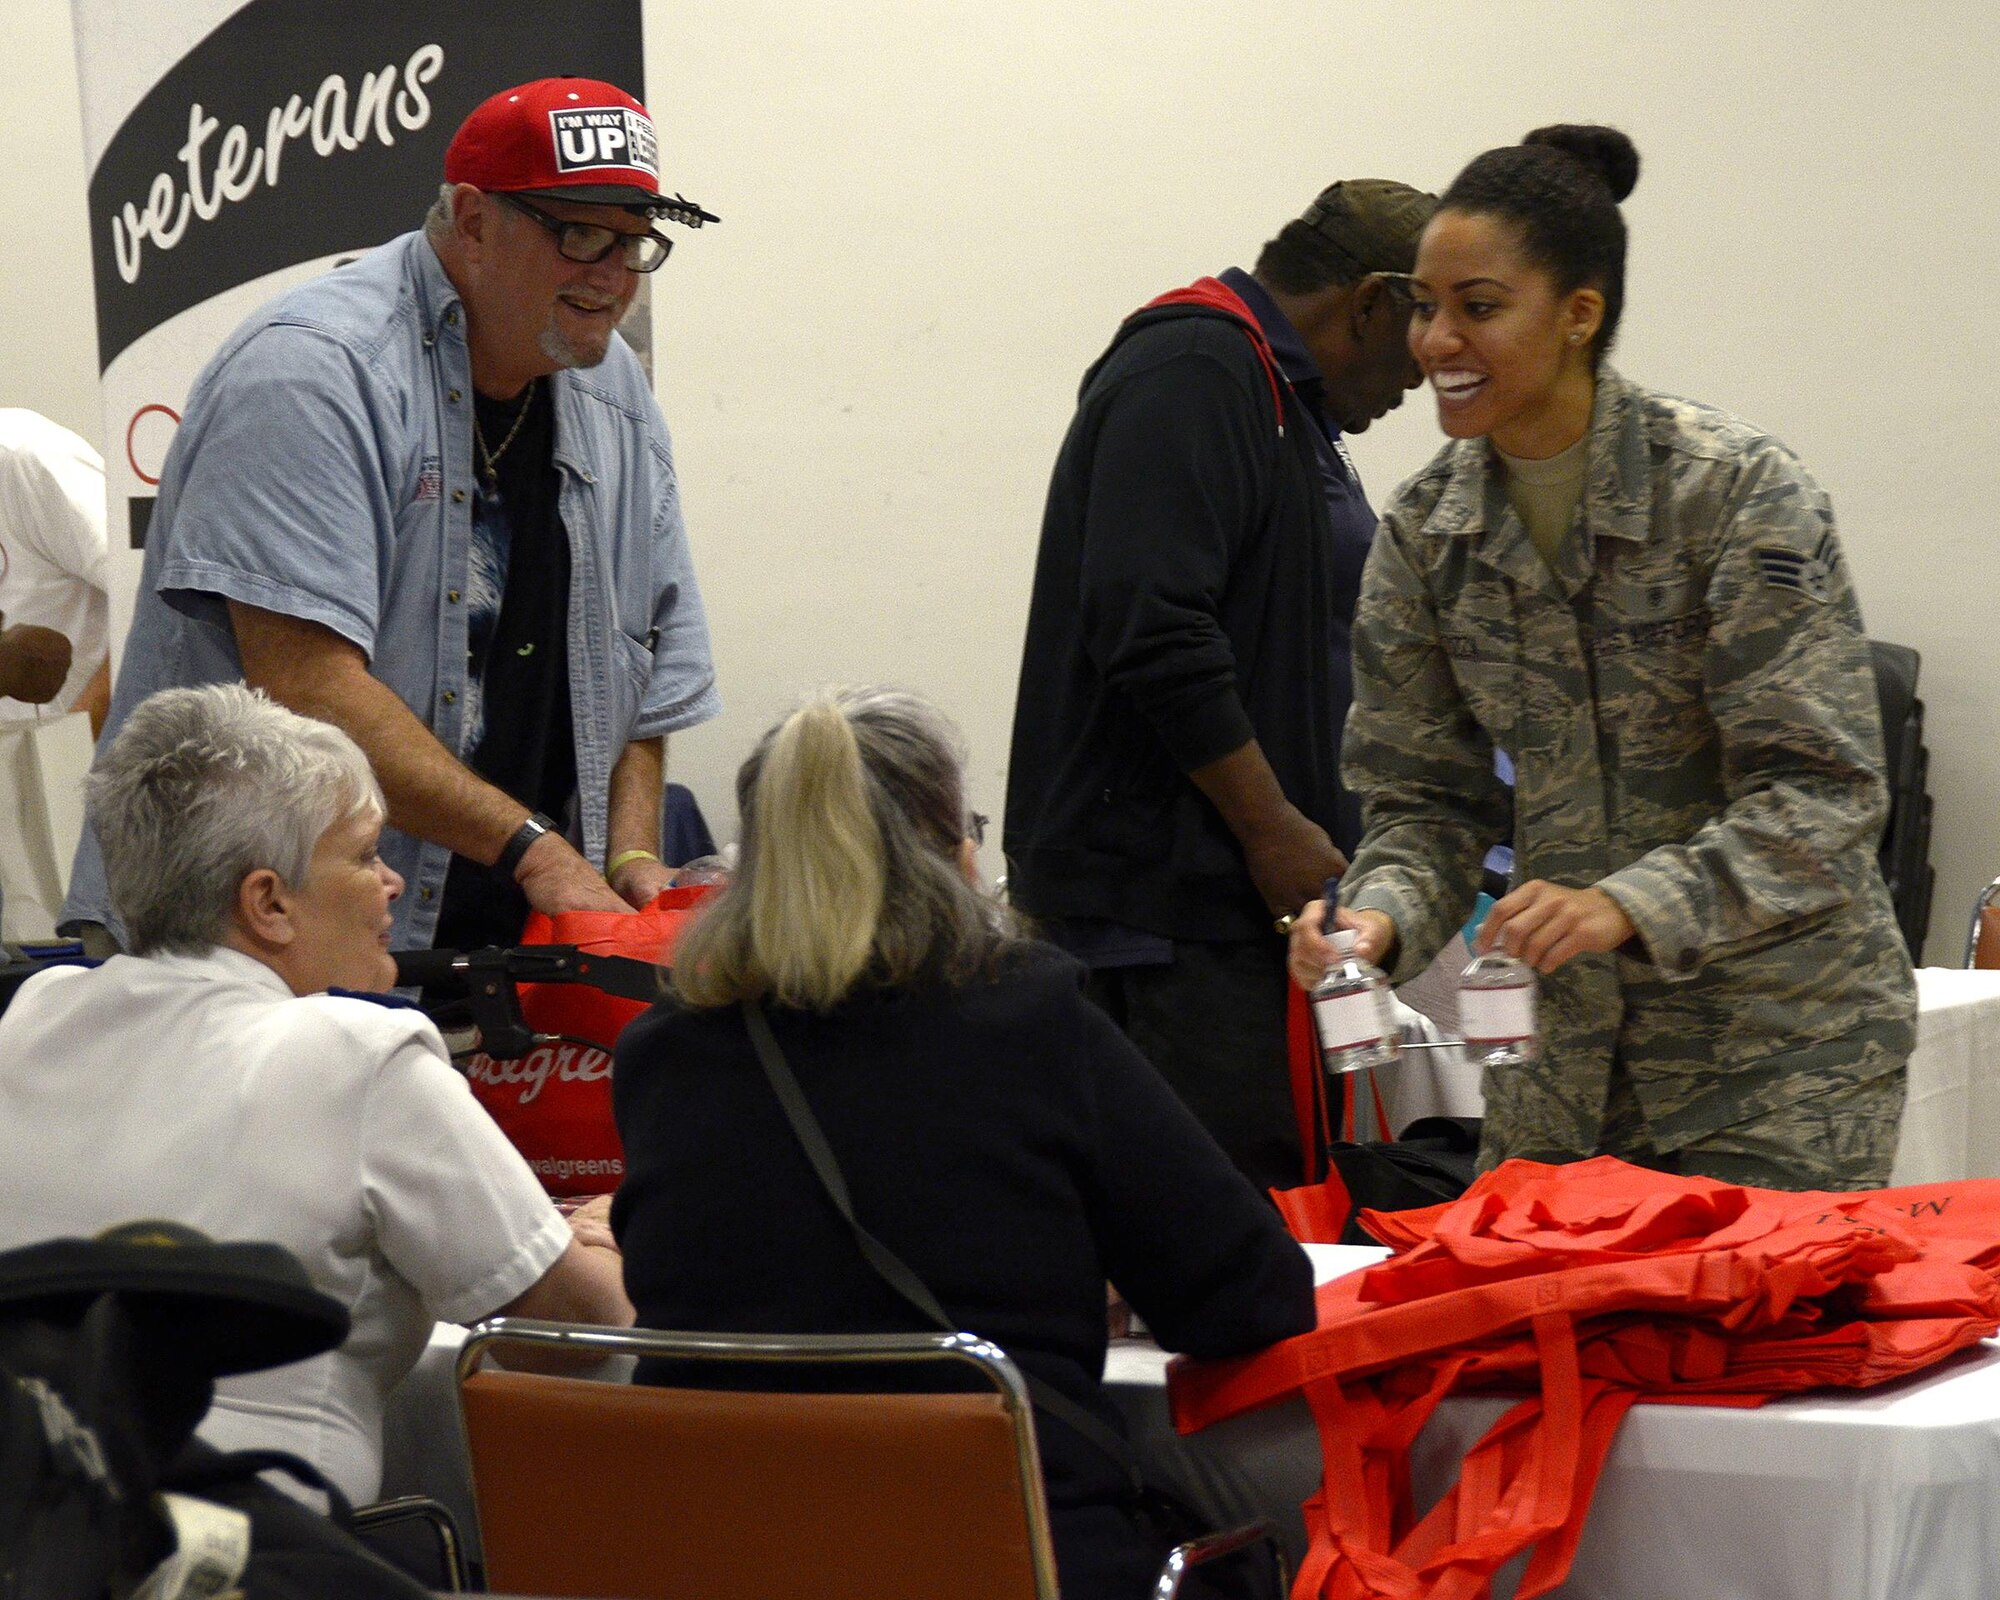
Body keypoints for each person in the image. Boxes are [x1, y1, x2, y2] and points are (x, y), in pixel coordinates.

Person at [1288, 125, 1915, 1189]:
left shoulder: (1729, 491)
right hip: (1558, 1072)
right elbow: (1423, 802)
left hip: (1771, 1062)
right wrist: (1372, 924)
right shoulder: (1424, 531)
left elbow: (1821, 794)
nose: (1436, 339)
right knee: (1544, 1351)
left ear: (1578, 314)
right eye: (1424, 305)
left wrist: (1625, 903)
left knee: (1748, 1356)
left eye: (1477, 307)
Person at [612, 688, 1314, 1599]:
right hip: (1018, 1562)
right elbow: (1249, 1299)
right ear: (952, 849)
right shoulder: (1031, 1018)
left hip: (720, 1566)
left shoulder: (661, 1055)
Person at [62, 77, 721, 956]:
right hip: (239, 947)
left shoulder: (616, 393)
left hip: (500, 952)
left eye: (635, 242)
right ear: (476, 220)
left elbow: (646, 669)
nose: (612, 276)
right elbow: (305, 684)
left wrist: (632, 851)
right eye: (582, 234)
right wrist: (533, 849)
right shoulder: (312, 374)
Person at [0, 683, 633, 1506]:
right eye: (367, 854)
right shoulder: (357, 1052)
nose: (392, 885)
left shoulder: (33, 1016)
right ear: (269, 903)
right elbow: (569, 1337)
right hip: (256, 1551)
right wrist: (615, 1235)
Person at [1003, 178, 1436, 1189]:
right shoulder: (1195, 364)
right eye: (1414, 341)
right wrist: (1272, 828)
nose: (1417, 378)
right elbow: (1150, 627)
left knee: (1289, 1208)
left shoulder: (1275, 398)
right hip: (1168, 927)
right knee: (1227, 1237)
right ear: (1370, 302)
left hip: (1237, 916)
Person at [0, 408, 110, 941]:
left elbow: (155, 592)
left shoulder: (27, 459)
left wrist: (79, 744)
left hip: (57, 782)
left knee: (54, 971)